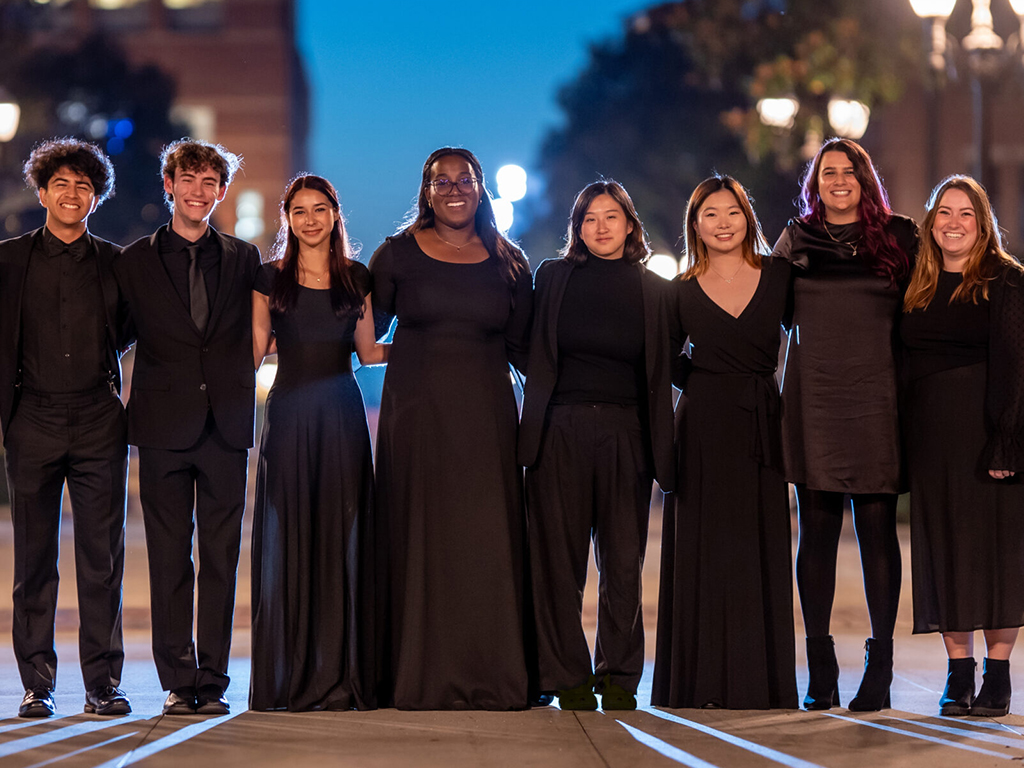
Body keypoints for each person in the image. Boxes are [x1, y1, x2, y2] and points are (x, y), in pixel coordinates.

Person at [369, 147, 532, 710]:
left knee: (486, 545)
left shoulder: (509, 261)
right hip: (416, 421)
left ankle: (495, 675)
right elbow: (364, 336)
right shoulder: (395, 256)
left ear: (481, 187)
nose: (455, 188)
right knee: (421, 541)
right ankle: (417, 675)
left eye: (466, 179)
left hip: (488, 423)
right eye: (442, 181)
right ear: (426, 190)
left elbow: (527, 350)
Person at [114, 139, 261, 715]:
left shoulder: (245, 259)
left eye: (210, 183)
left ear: (221, 192)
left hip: (225, 426)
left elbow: (265, 330)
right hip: (160, 425)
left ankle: (214, 679)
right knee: (169, 556)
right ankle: (179, 680)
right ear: (169, 184)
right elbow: (114, 336)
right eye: (189, 180)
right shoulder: (134, 262)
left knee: (222, 557)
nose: (199, 191)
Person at [518, 180, 677, 711]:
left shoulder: (654, 290)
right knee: (558, 566)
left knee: (623, 562)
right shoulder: (554, 276)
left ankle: (619, 675)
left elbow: (667, 366)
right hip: (557, 430)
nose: (601, 227)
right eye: (589, 218)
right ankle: (567, 676)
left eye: (611, 217)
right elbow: (529, 347)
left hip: (626, 433)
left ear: (630, 225)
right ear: (577, 228)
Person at [773, 138, 918, 712]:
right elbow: (771, 313)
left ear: (865, 178)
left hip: (879, 400)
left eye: (849, 171)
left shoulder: (900, 236)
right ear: (815, 183)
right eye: (828, 172)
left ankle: (879, 667)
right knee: (817, 535)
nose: (838, 180)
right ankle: (822, 667)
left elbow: (922, 309)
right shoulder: (796, 239)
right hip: (816, 401)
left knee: (879, 534)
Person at [652, 176, 797, 710]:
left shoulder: (780, 276)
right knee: (703, 548)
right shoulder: (680, 289)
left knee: (757, 547)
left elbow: (816, 333)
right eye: (710, 214)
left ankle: (761, 682)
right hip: (703, 427)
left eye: (732, 211)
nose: (722, 222)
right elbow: (665, 357)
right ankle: (699, 683)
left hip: (761, 423)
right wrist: (706, 379)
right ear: (696, 224)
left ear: (748, 217)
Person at [0, 139, 132, 718]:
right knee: (33, 559)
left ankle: (102, 685)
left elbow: (131, 329)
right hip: (32, 416)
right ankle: (37, 684)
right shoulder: (7, 260)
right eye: (62, 184)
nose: (72, 193)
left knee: (101, 559)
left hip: (99, 416)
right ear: (42, 190)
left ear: (96, 197)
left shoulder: (116, 262)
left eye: (84, 185)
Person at [250, 174, 386, 711]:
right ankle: (289, 678)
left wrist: (441, 345)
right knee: (290, 531)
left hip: (341, 417)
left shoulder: (357, 276)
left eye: (320, 209)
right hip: (287, 415)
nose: (310, 219)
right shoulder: (269, 278)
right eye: (299, 210)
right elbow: (254, 352)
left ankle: (341, 675)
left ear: (335, 215)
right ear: (288, 219)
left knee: (342, 532)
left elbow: (371, 352)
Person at [901, 176, 1024, 717]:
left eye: (966, 213)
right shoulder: (915, 282)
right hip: (932, 440)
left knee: (997, 554)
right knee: (945, 551)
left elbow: (1019, 367)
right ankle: (958, 674)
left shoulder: (1006, 279)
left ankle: (998, 674)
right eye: (944, 212)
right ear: (930, 222)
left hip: (988, 435)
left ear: (983, 223)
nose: (953, 222)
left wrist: (1008, 441)